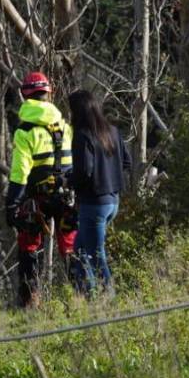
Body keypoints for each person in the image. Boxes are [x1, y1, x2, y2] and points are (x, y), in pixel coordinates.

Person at [4, 71, 80, 308]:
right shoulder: (65, 127)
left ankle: (29, 301)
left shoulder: (25, 131)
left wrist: (12, 204)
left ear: (24, 96)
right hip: (67, 196)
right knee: (70, 245)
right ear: (49, 93)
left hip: (36, 198)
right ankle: (80, 298)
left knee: (29, 245)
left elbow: (20, 173)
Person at [67, 89, 131, 298]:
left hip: (94, 203)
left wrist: (68, 180)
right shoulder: (112, 131)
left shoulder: (83, 135)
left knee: (95, 254)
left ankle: (108, 297)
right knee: (80, 249)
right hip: (113, 200)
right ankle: (88, 295)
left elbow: (84, 172)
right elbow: (126, 162)